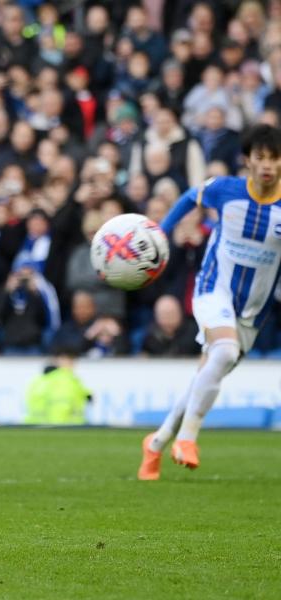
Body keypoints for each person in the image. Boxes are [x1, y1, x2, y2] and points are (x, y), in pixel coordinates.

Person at [138, 125, 281, 480]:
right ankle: (187, 439)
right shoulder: (226, 191)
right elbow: (190, 196)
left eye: (274, 158)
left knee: (208, 371)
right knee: (226, 352)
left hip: (252, 310)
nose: (267, 165)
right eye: (260, 157)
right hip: (212, 288)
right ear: (247, 160)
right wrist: (162, 231)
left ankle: (155, 443)